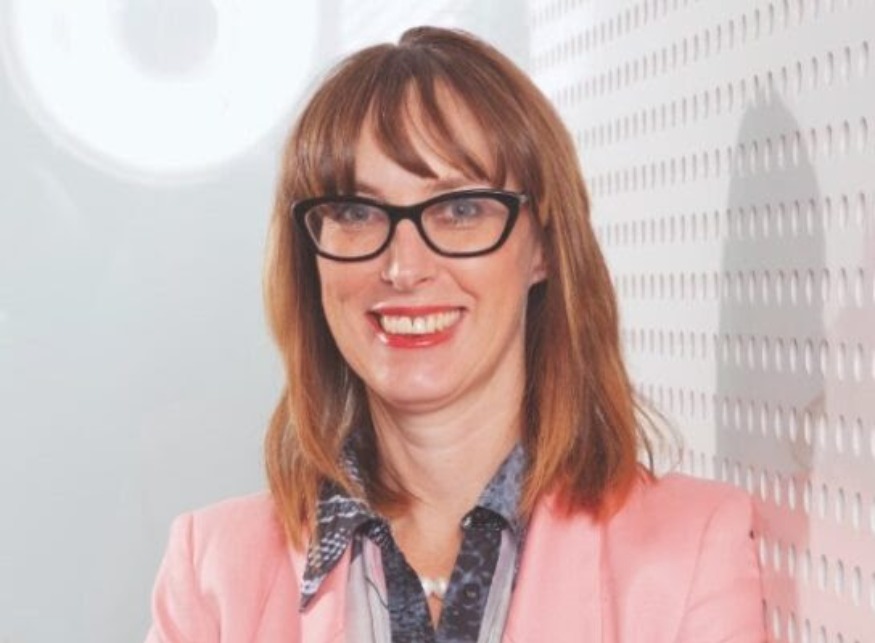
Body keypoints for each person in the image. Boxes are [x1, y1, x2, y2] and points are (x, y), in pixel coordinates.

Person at [145, 26, 764, 642]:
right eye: (356, 212)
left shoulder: (690, 551)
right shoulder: (211, 573)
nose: (403, 267)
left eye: (461, 209)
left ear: (544, 246)